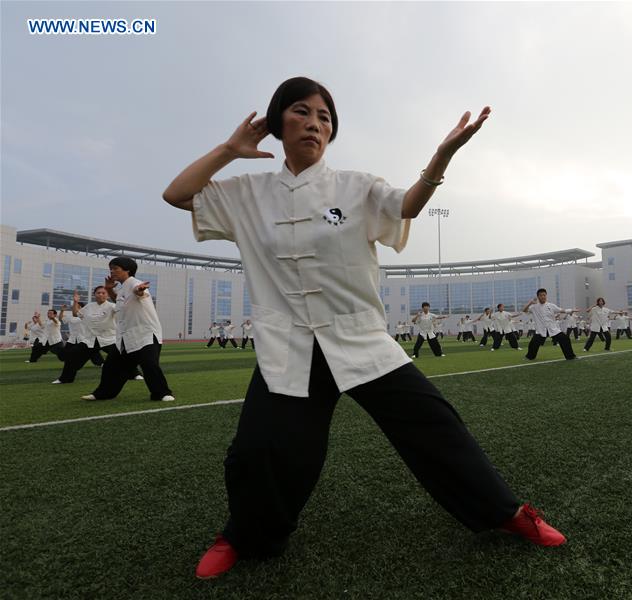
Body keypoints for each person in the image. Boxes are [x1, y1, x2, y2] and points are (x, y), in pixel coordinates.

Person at [162, 77, 566, 578]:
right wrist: (230, 149)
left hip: (358, 336)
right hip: (287, 344)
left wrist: (442, 157)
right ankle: (244, 537)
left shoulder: (355, 187)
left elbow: (408, 205)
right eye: (301, 112)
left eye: (325, 117)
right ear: (275, 122)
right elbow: (176, 194)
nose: (314, 123)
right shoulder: (246, 193)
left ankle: (507, 515)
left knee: (435, 427)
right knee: (259, 450)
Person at [81, 257, 175, 402]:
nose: (112, 271)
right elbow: (120, 300)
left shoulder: (135, 284)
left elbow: (140, 292)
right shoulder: (122, 288)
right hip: (126, 336)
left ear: (127, 269)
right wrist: (109, 290)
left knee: (149, 363)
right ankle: (103, 393)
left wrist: (140, 291)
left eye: (115, 268)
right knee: (110, 365)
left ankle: (162, 393)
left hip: (145, 333)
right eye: (111, 268)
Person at [522, 289, 577, 360]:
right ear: (538, 297)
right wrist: (530, 303)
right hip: (541, 330)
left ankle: (570, 356)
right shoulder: (534, 307)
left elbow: (561, 310)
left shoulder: (551, 305)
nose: (543, 297)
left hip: (553, 329)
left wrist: (571, 310)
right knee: (533, 343)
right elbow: (524, 310)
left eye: (544, 295)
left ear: (546, 296)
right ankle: (529, 357)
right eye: (541, 295)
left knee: (565, 339)